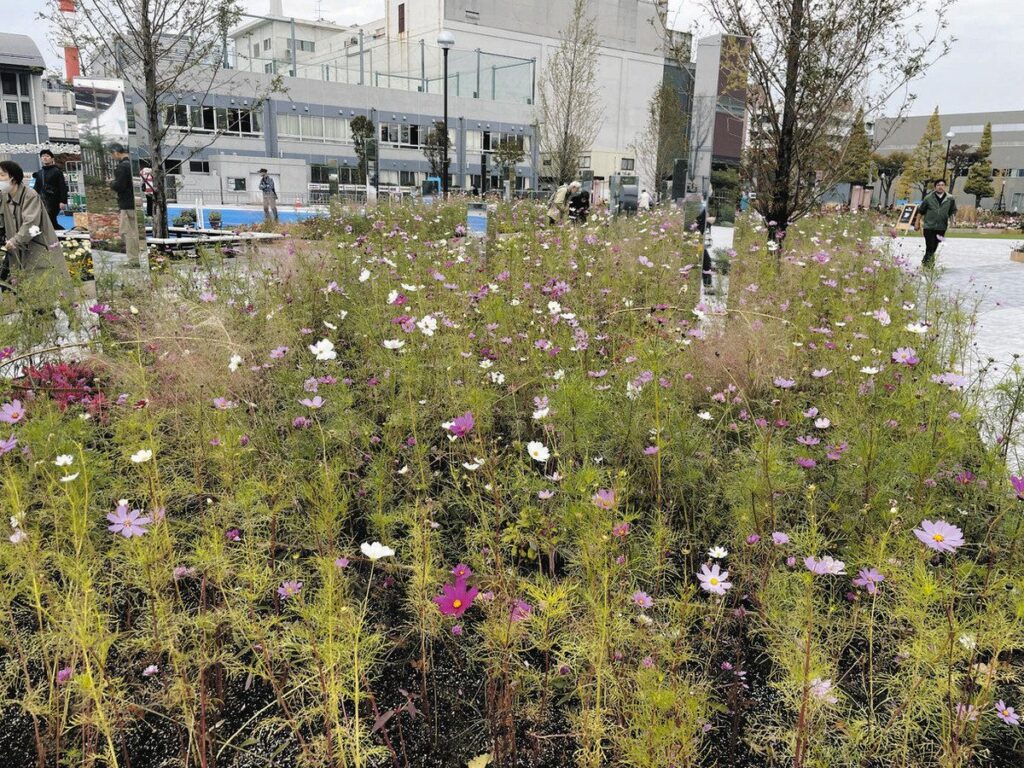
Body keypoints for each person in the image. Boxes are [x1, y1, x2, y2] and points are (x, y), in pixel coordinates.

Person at [1, 160, 69, 285]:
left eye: (2, 175)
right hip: (17, 248)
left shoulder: (30, 195)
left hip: (36, 246)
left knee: (42, 283)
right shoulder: (4, 196)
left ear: (14, 178)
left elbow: (31, 223)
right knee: (21, 283)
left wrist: (15, 240)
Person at [109, 144, 141, 267]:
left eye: (112, 154)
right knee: (133, 231)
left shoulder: (122, 167)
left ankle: (133, 260)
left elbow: (119, 186)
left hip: (127, 204)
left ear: (116, 152)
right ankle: (135, 258)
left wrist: (112, 183)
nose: (112, 157)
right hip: (135, 202)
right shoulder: (133, 165)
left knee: (127, 232)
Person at [915, 178, 957, 268]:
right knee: (930, 245)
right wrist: (917, 223)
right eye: (938, 185)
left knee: (934, 247)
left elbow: (952, 211)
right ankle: (930, 266)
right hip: (929, 226)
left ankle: (925, 262)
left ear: (945, 187)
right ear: (935, 187)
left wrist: (953, 221)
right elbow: (920, 211)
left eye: (942, 185)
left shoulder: (950, 198)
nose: (940, 187)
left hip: (941, 227)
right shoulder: (928, 198)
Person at [32, 149, 69, 231]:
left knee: (50, 219)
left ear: (52, 159)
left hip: (54, 200)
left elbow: (62, 187)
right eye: (43, 156)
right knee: (49, 220)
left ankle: (61, 234)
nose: (45, 158)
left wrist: (63, 201)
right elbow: (36, 187)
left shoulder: (57, 171)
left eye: (47, 156)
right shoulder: (40, 172)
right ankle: (60, 235)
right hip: (43, 200)